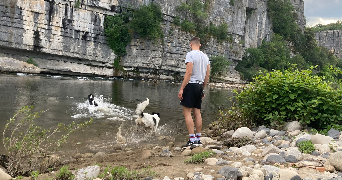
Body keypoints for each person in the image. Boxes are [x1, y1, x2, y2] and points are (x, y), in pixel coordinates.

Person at [178, 37, 210, 148]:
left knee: (187, 112)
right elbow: (207, 76)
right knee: (197, 112)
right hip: (200, 86)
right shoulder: (206, 57)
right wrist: (202, 89)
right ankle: (198, 139)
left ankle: (191, 140)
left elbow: (189, 72)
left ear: (191, 44)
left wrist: (182, 88)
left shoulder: (190, 54)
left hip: (191, 85)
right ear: (199, 45)